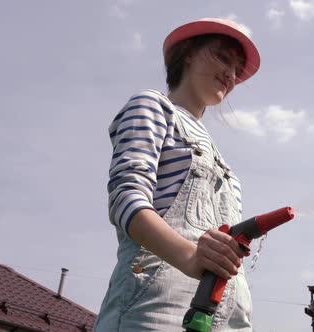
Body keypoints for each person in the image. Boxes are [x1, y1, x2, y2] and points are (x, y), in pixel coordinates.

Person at [94, 18, 261, 331]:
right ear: (188, 53)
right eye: (223, 58)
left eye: (237, 68)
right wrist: (190, 256)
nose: (231, 74)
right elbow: (125, 198)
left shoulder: (225, 166)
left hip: (227, 319)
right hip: (156, 311)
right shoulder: (153, 107)